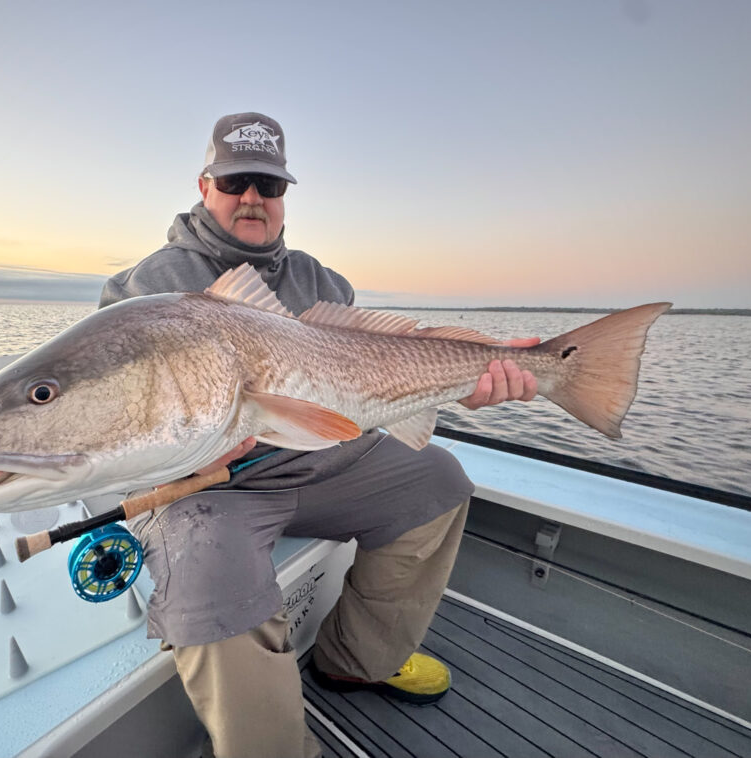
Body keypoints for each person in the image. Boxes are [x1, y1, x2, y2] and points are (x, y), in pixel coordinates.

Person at [99, 112, 537, 758]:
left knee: (439, 481)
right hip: (209, 487)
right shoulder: (147, 288)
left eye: (269, 185)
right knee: (210, 575)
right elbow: (120, 418)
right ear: (204, 186)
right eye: (235, 182)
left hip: (325, 459)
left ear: (285, 195)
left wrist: (461, 382)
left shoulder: (323, 282)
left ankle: (357, 659)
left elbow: (374, 385)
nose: (253, 197)